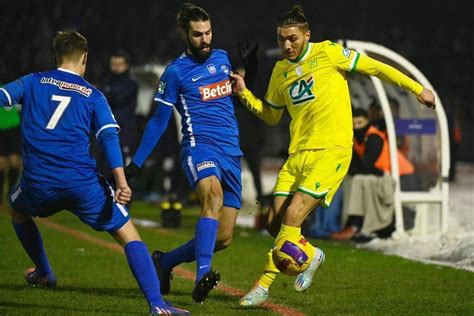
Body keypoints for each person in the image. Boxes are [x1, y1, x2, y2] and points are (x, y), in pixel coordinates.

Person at [230, 5, 436, 306]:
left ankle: (262, 286)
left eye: (292, 39)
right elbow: (272, 116)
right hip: (297, 154)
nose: (286, 45)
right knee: (275, 224)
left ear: (307, 35)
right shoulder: (280, 71)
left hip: (331, 151)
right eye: (280, 39)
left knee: (292, 215)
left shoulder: (328, 53)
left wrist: (418, 89)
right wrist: (244, 92)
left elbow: (375, 67)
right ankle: (312, 255)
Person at [0, 31, 188, 315]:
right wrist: (122, 182)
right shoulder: (93, 94)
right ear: (85, 58)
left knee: (16, 210)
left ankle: (44, 271)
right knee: (128, 235)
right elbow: (109, 139)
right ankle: (158, 305)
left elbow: (2, 97)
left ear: (55, 58)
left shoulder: (32, 81)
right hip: (82, 185)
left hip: (37, 182)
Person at [125, 3, 244, 303]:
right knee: (212, 198)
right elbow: (158, 120)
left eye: (208, 32)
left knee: (224, 237)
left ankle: (164, 262)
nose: (205, 39)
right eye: (197, 34)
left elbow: (230, 101)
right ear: (184, 34)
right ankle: (204, 273)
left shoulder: (222, 58)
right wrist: (137, 162)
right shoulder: (175, 72)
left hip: (231, 152)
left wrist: (246, 78)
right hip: (199, 147)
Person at [331, 108, 396, 241]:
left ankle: (355, 225)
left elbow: (366, 165)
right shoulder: (355, 139)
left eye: (360, 123)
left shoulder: (374, 137)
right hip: (369, 174)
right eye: (354, 124)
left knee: (357, 180)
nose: (357, 127)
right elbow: (351, 163)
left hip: (383, 175)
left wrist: (354, 169)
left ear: (367, 121)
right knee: (347, 179)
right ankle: (343, 224)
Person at [98, 50, 139, 171]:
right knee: (103, 165)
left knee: (121, 166)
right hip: (106, 130)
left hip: (124, 132)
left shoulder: (131, 83)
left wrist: (107, 93)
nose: (115, 67)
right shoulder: (106, 81)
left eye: (119, 64)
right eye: (113, 64)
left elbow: (118, 99)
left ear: (126, 65)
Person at [0, 99, 22, 206]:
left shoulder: (16, 85)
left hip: (14, 129)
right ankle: (0, 198)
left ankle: (10, 194)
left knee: (15, 163)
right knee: (1, 164)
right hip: (1, 129)